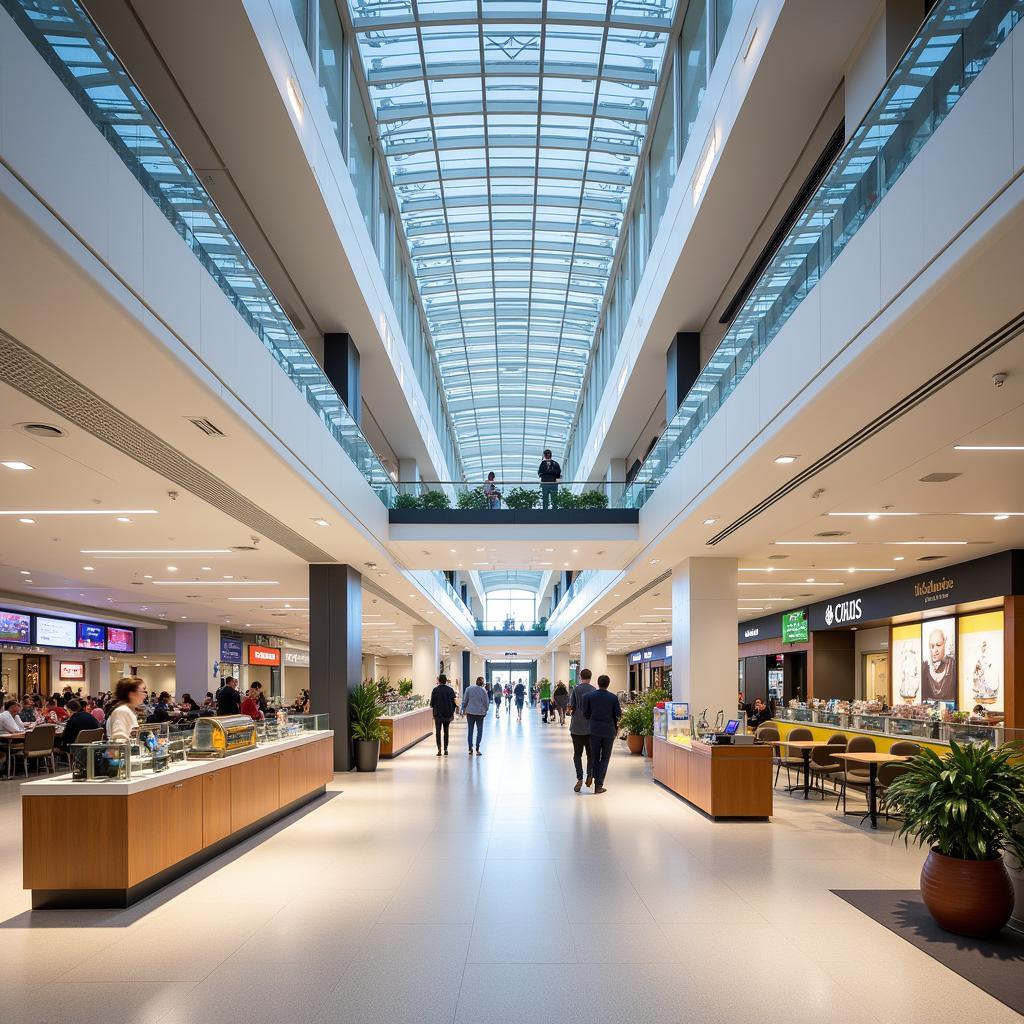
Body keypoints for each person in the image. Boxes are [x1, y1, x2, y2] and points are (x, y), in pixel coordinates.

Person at [583, 674, 621, 794]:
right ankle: (599, 785)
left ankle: (591, 774)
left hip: (594, 730)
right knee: (605, 758)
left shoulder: (589, 696)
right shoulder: (613, 698)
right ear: (608, 684)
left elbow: (586, 713)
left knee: (594, 755)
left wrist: (593, 718)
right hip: (609, 731)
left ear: (598, 683)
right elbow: (618, 714)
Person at [569, 669, 596, 792]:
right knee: (591, 754)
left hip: (576, 727)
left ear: (580, 677)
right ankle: (589, 774)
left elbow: (571, 706)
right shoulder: (594, 690)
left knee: (577, 754)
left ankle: (579, 778)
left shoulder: (576, 689)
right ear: (590, 677)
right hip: (590, 727)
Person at [922, 626, 956, 702]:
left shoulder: (953, 665)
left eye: (938, 645)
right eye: (932, 646)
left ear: (945, 643)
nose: (935, 650)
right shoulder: (924, 667)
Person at [106, 677, 147, 742]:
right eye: (142, 691)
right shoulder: (122, 711)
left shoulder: (128, 711)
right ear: (131, 694)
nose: (145, 695)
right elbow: (119, 740)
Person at [430, 673, 457, 756]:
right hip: (447, 714)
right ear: (446, 681)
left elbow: (432, 704)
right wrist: (451, 711)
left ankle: (439, 750)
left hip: (438, 714)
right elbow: (454, 703)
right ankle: (446, 749)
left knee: (438, 732)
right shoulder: (450, 690)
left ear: (438, 681)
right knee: (446, 732)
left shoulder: (435, 690)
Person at [462, 676, 489, 755]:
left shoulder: (469, 689)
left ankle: (470, 748)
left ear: (476, 681)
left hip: (470, 713)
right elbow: (486, 703)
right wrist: (485, 710)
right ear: (482, 683)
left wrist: (463, 709)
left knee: (470, 730)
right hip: (480, 713)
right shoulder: (483, 691)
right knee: (479, 730)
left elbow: (465, 700)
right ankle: (477, 747)